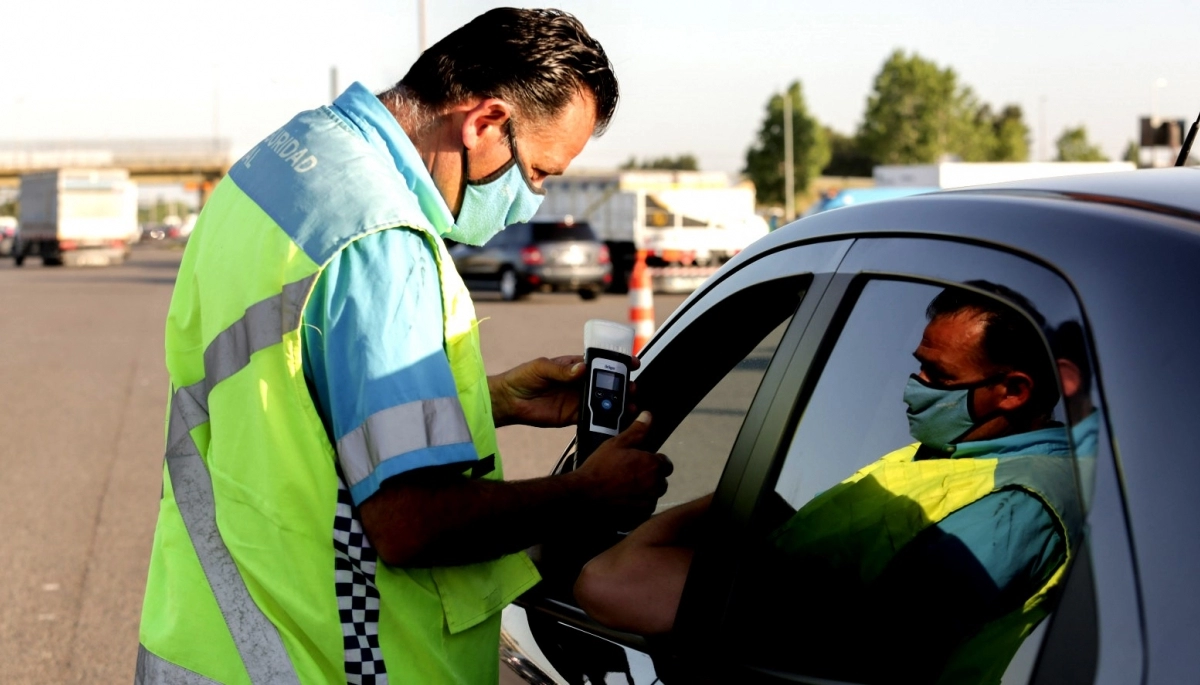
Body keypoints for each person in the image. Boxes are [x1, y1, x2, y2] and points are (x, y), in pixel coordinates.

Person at [137, 9, 672, 685]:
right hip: (327, 659)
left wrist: (490, 398)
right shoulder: (383, 241)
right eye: (536, 172)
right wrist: (585, 493)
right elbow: (410, 523)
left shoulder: (278, 168)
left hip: (205, 633)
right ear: (482, 123)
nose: (530, 200)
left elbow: (292, 394)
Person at [574, 283, 1084, 684]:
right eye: (917, 368)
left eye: (938, 376)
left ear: (1014, 391)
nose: (914, 389)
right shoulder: (951, 452)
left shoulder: (1014, 505)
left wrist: (725, 505)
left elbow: (874, 652)